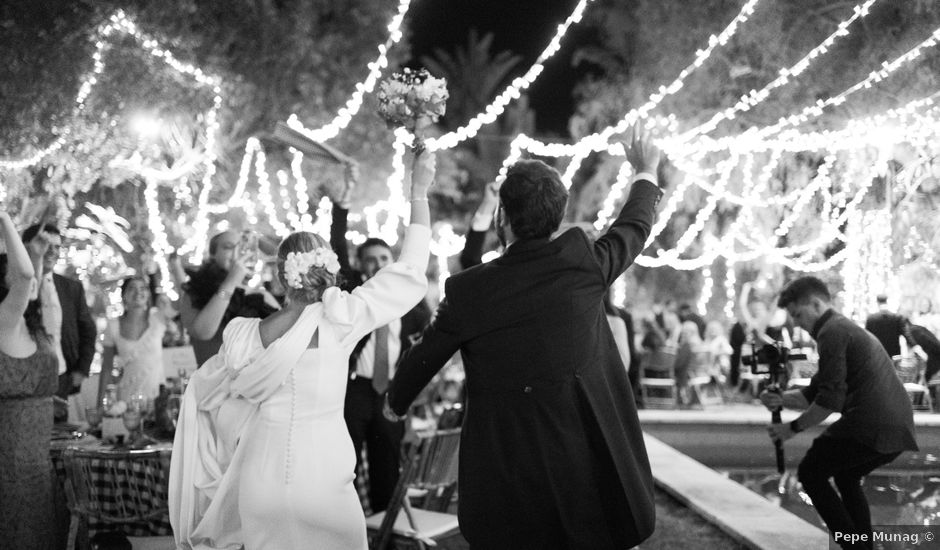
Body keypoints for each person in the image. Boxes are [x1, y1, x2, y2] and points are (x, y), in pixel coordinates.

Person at [386, 125, 662, 549]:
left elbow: (427, 353)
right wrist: (646, 169)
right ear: (557, 213)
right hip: (584, 468)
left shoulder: (470, 290)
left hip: (506, 477)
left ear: (504, 217)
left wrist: (394, 404)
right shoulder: (582, 263)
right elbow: (635, 226)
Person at [169, 151, 435, 549]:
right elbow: (412, 269)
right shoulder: (343, 319)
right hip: (324, 483)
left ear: (280, 277)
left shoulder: (244, 335)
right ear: (328, 269)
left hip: (261, 484)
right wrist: (418, 193)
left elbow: (212, 391)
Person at [760, 276, 918, 550]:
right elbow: (813, 393)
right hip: (897, 426)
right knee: (846, 476)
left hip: (872, 424)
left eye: (798, 314)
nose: (797, 323)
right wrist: (779, 399)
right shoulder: (842, 328)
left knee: (811, 472)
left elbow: (829, 402)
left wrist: (791, 429)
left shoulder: (831, 332)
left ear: (817, 304)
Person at [327, 161, 432, 512]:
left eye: (383, 258)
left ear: (392, 262)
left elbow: (424, 353)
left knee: (388, 464)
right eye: (369, 260)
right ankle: (348, 527)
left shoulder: (411, 306)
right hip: (355, 389)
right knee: (344, 465)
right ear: (360, 264)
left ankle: (386, 534)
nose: (376, 265)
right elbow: (336, 246)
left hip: (390, 393)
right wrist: (342, 205)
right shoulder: (355, 295)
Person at [0, 211, 59, 549]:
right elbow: (24, 276)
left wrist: (36, 251)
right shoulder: (3, 321)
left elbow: (28, 275)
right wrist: (5, 217)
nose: (32, 276)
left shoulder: (31, 326)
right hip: (10, 457)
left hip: (38, 455)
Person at [22, 224, 96, 409]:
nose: (51, 252)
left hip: (62, 376)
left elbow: (88, 330)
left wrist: (81, 370)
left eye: (57, 247)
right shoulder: (15, 288)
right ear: (27, 246)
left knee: (61, 432)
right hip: (24, 379)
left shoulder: (71, 288)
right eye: (45, 245)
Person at [179, 230, 280, 366]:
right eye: (229, 247)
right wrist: (231, 281)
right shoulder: (194, 292)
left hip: (253, 382)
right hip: (212, 383)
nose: (237, 253)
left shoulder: (260, 296)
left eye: (242, 247)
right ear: (213, 254)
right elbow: (203, 333)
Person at [97, 276, 167, 403]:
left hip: (157, 398)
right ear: (124, 296)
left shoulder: (158, 318)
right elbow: (106, 367)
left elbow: (178, 307)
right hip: (127, 398)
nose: (138, 292)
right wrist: (100, 404)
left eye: (143, 288)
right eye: (132, 289)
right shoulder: (113, 325)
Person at [864, 294, 919, 358]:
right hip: (894, 355)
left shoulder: (871, 319)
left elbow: (866, 338)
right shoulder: (897, 318)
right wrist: (915, 346)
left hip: (877, 355)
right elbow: (906, 334)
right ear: (887, 302)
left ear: (877, 302)